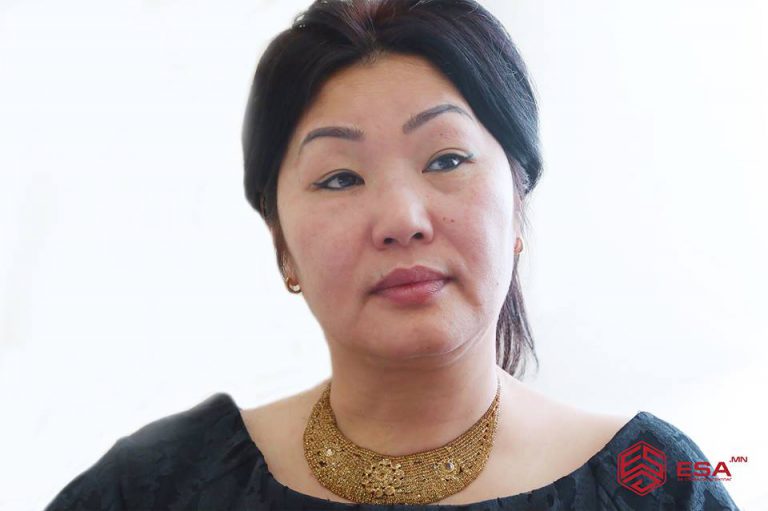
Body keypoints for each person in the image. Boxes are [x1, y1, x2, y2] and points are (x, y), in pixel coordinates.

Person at [45, 0, 741, 509]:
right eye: (339, 178)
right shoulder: (158, 486)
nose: (402, 220)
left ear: (518, 203)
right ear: (281, 243)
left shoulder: (651, 486)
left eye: (446, 159)